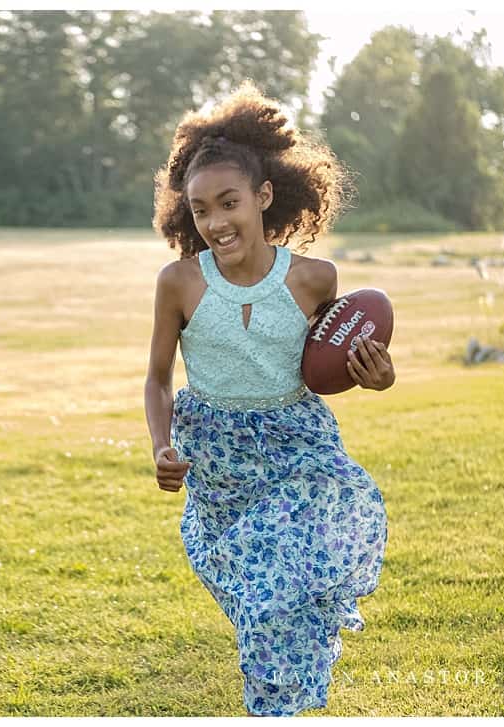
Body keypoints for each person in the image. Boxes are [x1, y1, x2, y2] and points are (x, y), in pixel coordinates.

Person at [144, 82, 394, 716]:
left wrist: (378, 376)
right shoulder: (179, 283)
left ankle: (276, 707)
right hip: (217, 455)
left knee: (278, 591)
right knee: (257, 593)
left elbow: (332, 366)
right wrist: (162, 445)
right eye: (200, 210)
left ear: (263, 196)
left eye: (229, 202)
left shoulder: (315, 278)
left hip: (297, 444)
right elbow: (156, 378)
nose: (216, 222)